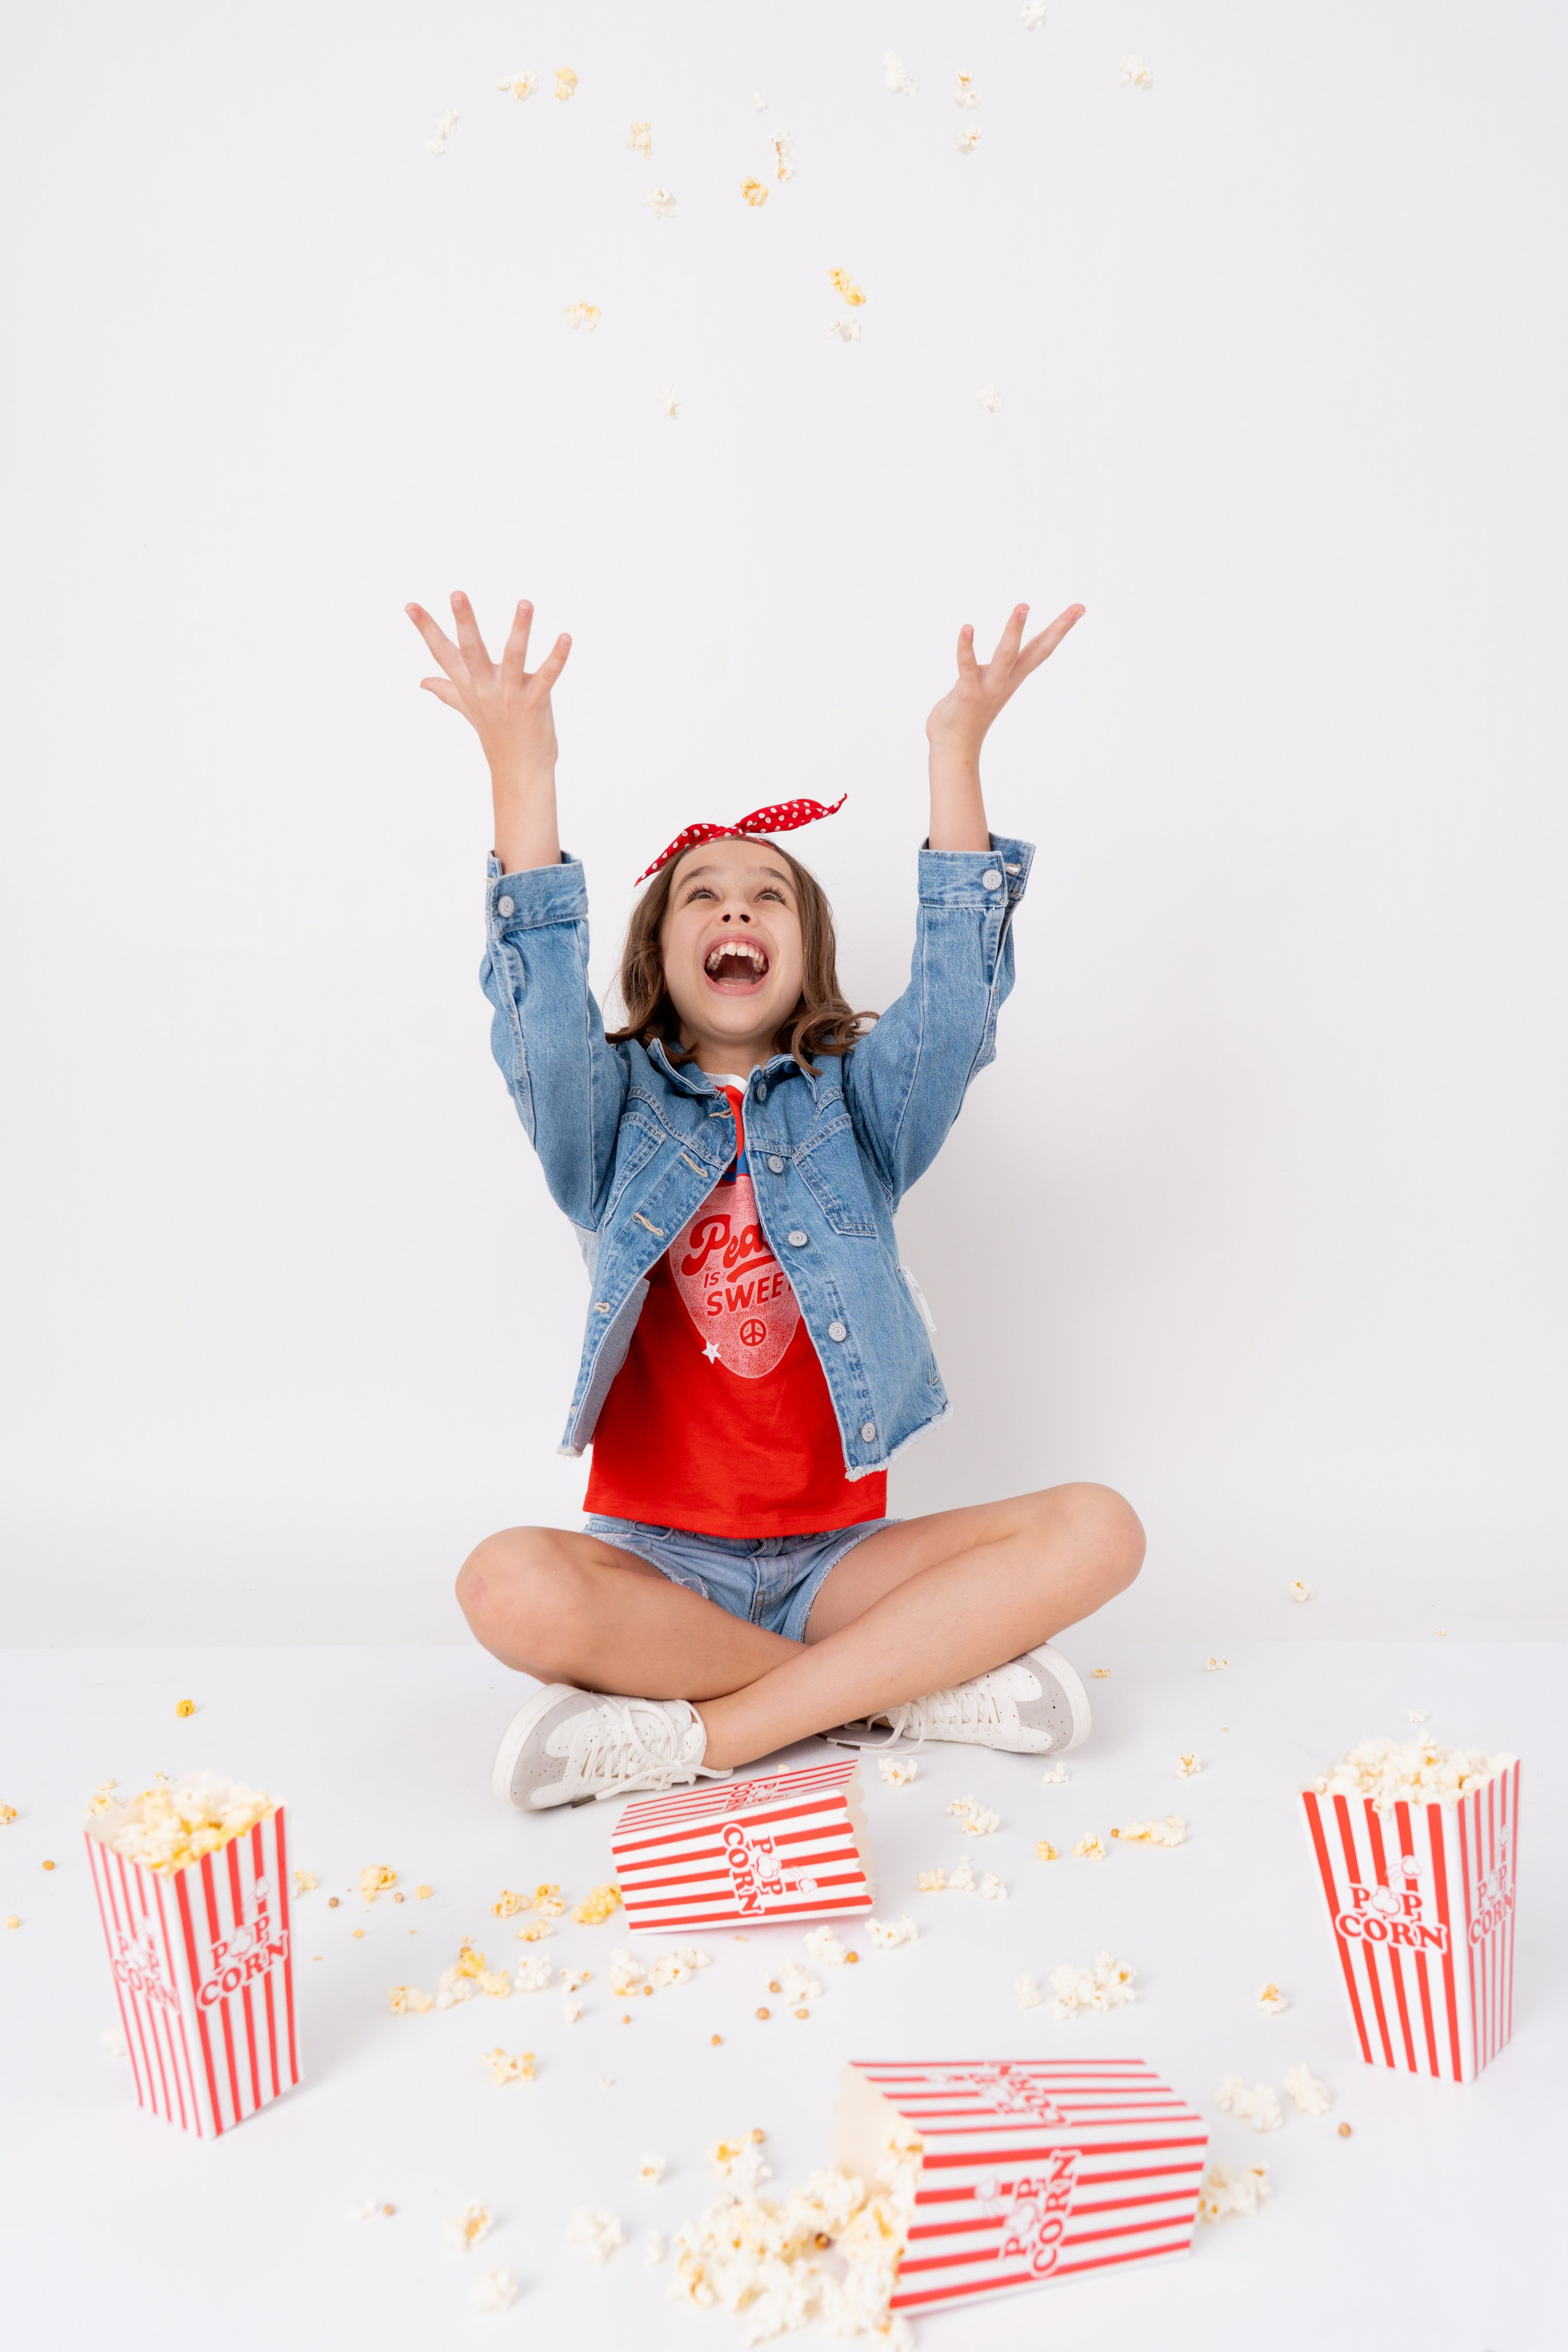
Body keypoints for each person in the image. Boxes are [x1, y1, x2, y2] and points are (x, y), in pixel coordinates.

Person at [405, 590, 1145, 1813]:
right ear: (659, 951)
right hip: (656, 1572)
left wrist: (952, 751)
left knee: (1099, 1527)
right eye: (701, 893)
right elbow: (535, 1013)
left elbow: (956, 1006)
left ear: (802, 951)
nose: (735, 908)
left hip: (840, 1562)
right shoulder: (605, 1120)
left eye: (766, 896)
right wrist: (521, 765)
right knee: (505, 1584)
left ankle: (706, 1736)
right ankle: (900, 1691)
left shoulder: (863, 1110)